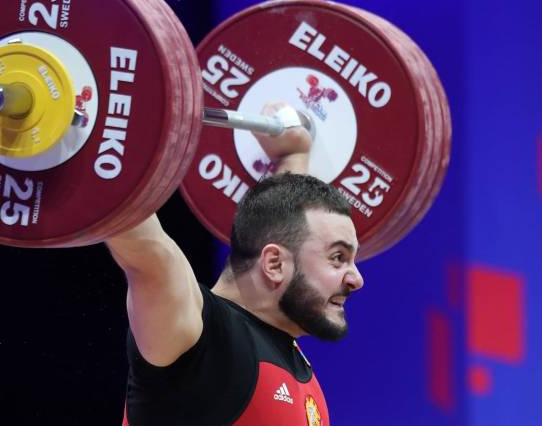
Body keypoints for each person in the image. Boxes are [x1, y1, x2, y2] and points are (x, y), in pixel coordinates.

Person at [105, 104, 364, 425]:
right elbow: (147, 253)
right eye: (338, 258)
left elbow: (288, 218)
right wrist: (104, 138)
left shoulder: (278, 344)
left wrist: (294, 154)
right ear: (273, 264)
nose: (356, 279)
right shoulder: (200, 339)